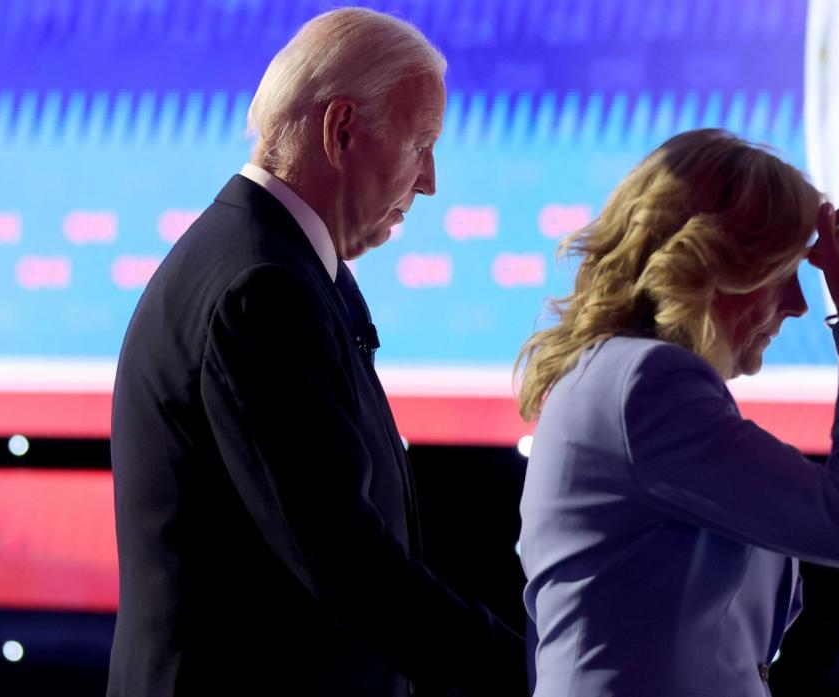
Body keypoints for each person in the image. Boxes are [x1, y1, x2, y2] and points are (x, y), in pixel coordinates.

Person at [106, 8, 525, 697]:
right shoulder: (263, 289)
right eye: (421, 144)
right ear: (341, 130)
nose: (430, 181)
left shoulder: (274, 263)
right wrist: (540, 677)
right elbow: (348, 564)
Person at [516, 129, 839, 697]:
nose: (800, 305)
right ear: (714, 262)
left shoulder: (618, 377)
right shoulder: (650, 384)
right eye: (784, 272)